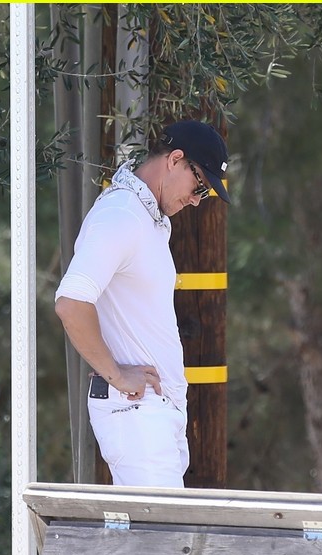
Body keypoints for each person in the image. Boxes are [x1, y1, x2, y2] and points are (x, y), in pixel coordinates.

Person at [54, 120, 231, 488]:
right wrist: (116, 375)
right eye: (199, 184)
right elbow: (71, 303)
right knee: (161, 540)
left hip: (152, 415)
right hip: (135, 413)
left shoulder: (147, 218)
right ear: (176, 159)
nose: (197, 199)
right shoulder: (121, 215)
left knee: (160, 538)